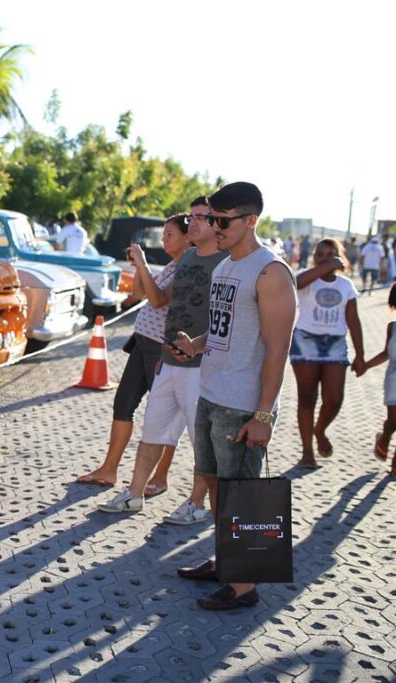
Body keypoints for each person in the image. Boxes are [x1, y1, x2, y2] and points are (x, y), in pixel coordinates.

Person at [171, 181, 296, 611]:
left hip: (243, 403)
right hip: (211, 391)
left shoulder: (271, 272)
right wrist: (196, 344)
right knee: (215, 485)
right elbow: (225, 330)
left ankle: (244, 587)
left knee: (242, 494)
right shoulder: (225, 267)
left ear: (250, 221)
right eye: (207, 219)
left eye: (222, 221)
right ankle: (226, 560)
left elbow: (278, 347)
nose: (213, 227)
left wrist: (262, 415)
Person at [96, 197, 226, 523]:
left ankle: (197, 503)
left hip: (201, 366)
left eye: (200, 218)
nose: (192, 223)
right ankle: (134, 494)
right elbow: (161, 301)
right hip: (168, 360)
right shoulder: (189, 257)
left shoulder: (227, 263)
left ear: (216, 224)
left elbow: (232, 322)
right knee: (152, 430)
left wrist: (199, 347)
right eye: (192, 217)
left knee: (201, 441)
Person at [76, 214, 190, 489]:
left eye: (170, 235)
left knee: (164, 414)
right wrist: (141, 266)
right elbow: (139, 293)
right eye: (163, 234)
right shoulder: (172, 264)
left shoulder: (188, 266)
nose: (164, 239)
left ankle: (159, 476)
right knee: (123, 404)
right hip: (143, 341)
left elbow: (159, 299)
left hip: (161, 347)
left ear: (188, 238)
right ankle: (109, 469)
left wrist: (142, 263)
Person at [289, 238, 364, 469]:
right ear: (315, 257)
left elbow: (353, 320)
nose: (325, 258)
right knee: (307, 398)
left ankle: (319, 430)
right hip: (306, 341)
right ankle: (307, 451)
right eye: (320, 254)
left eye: (331, 254)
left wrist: (360, 356)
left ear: (340, 256)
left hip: (335, 345)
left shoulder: (345, 285)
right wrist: (325, 266)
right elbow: (297, 283)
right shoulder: (306, 277)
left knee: (334, 399)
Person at [358, 283, 396, 476]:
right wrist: (365, 365)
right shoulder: (393, 327)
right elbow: (386, 353)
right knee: (393, 420)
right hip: (394, 379)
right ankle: (384, 437)